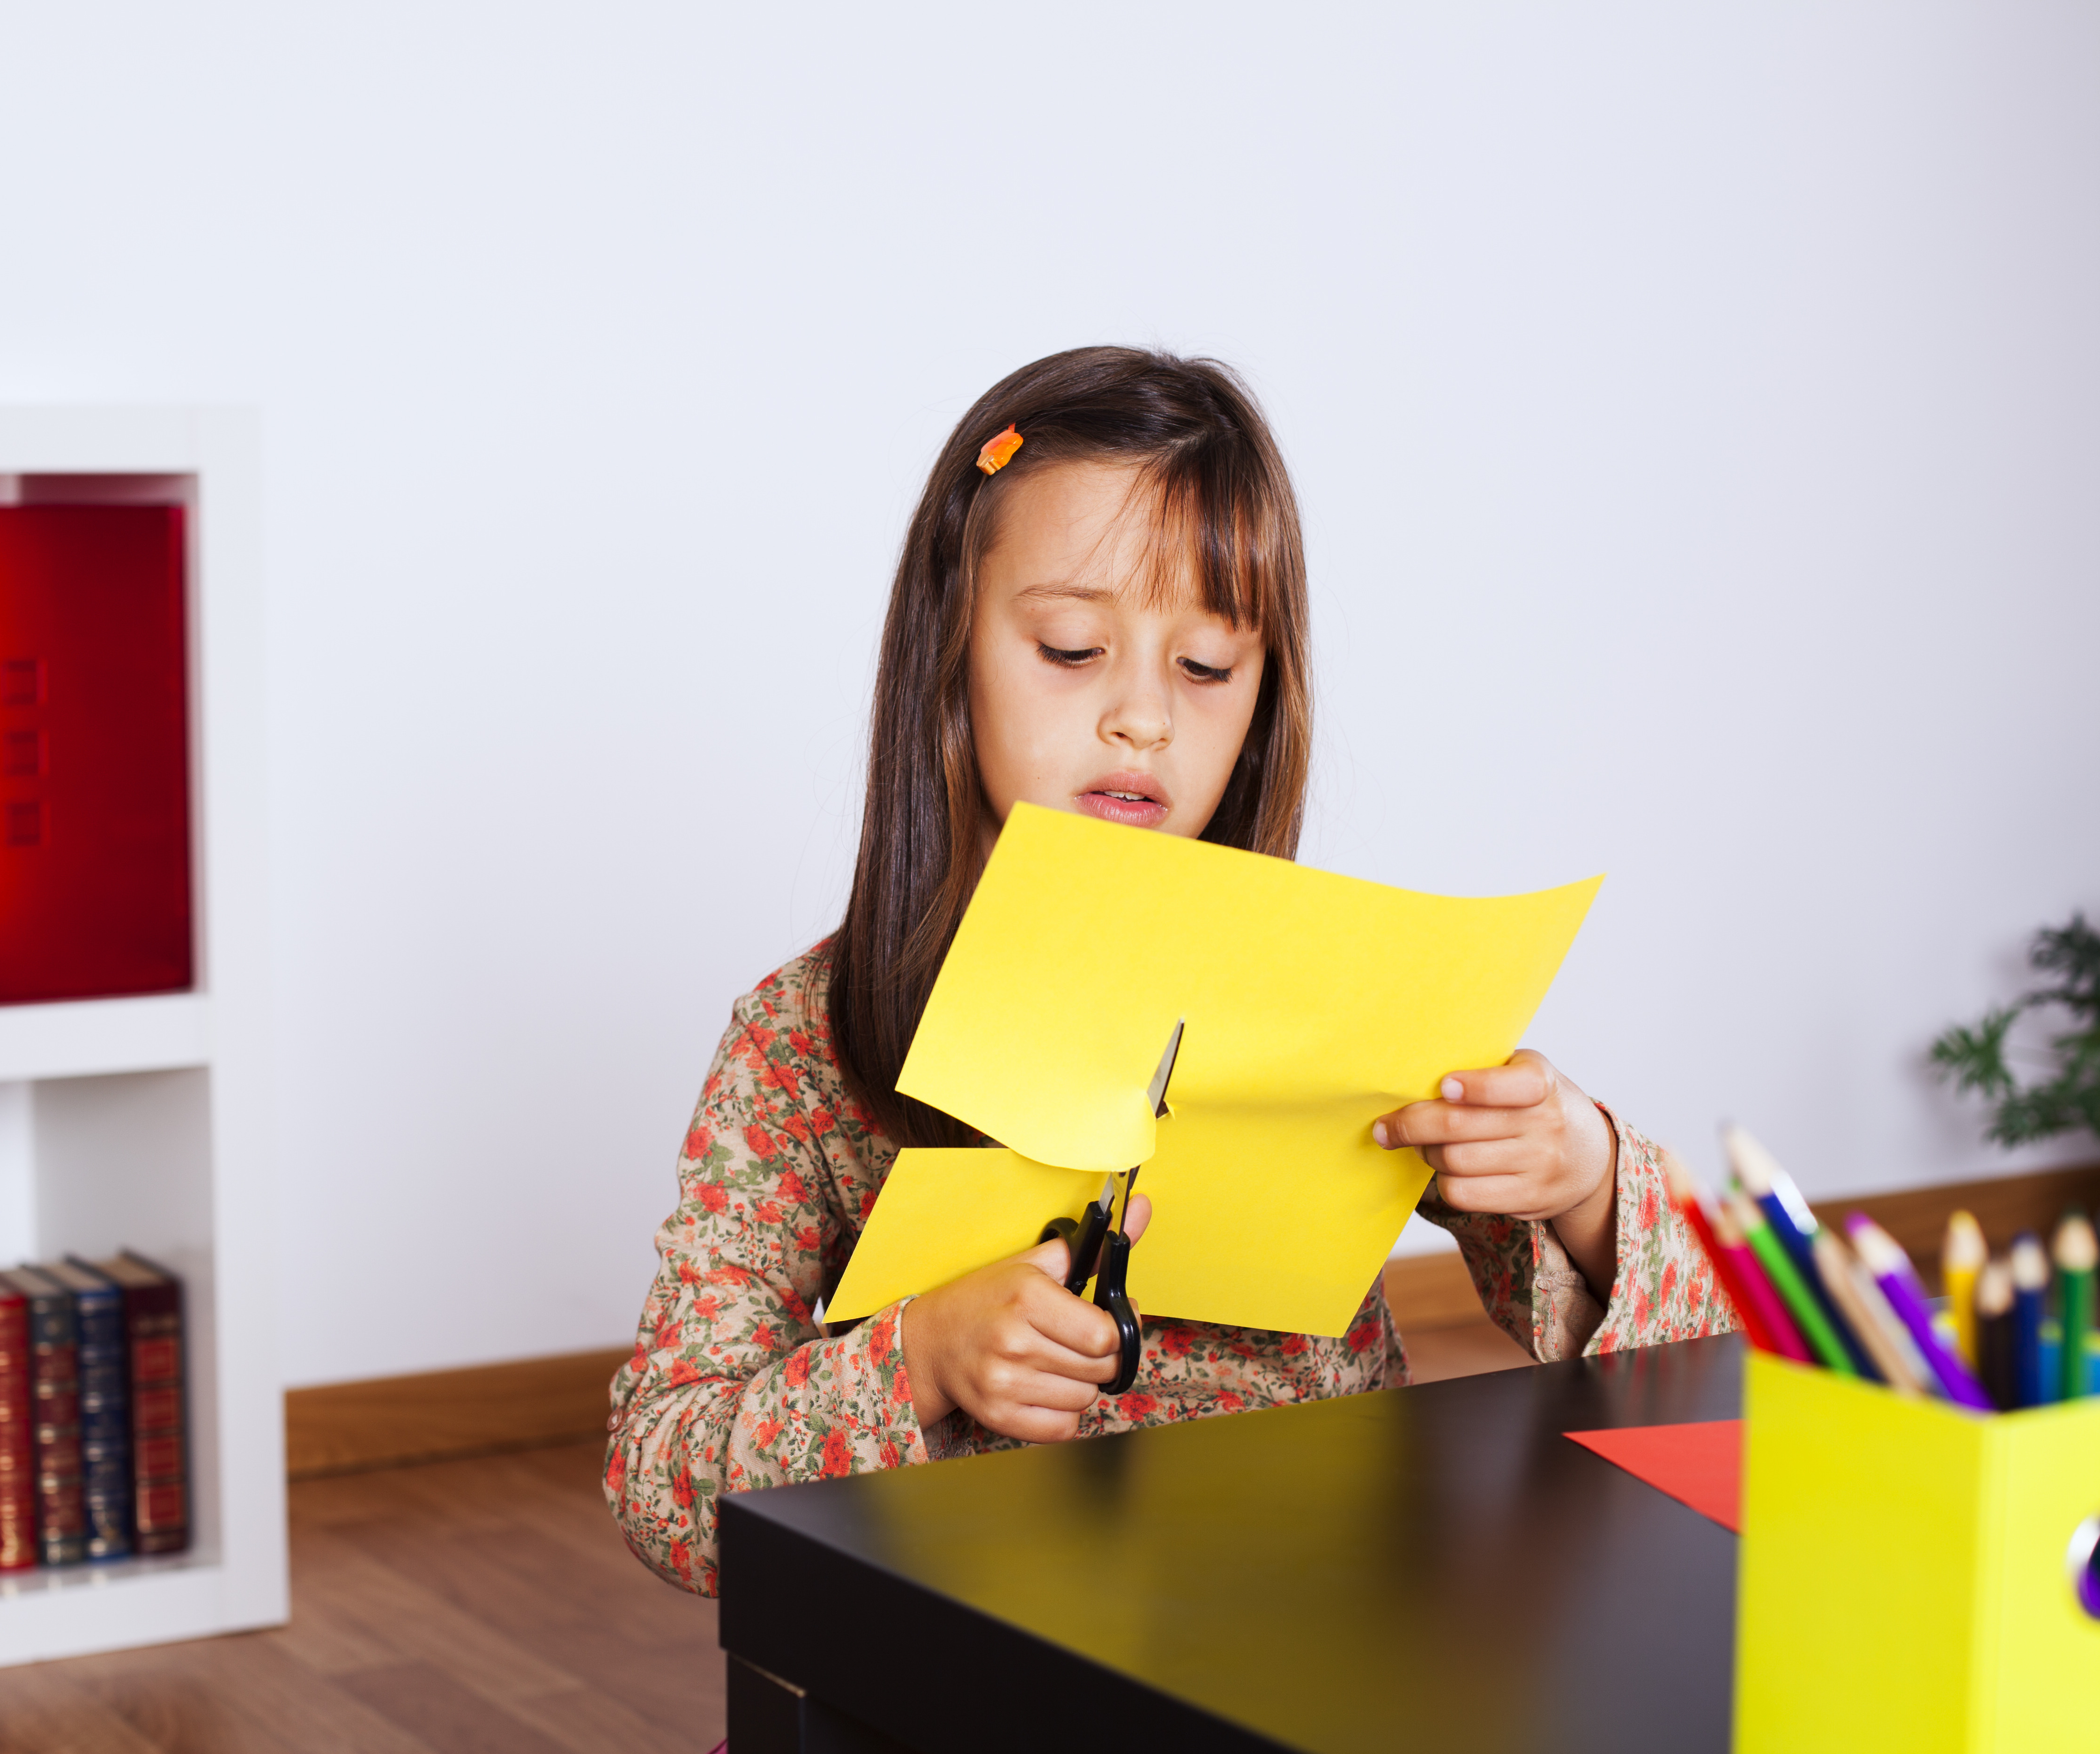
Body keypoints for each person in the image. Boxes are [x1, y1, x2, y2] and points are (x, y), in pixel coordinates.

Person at [604, 346, 1737, 1596]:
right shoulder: (800, 1046)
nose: (1144, 717)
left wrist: (1578, 1174)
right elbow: (663, 1485)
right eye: (1074, 648)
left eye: (1205, 669)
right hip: (971, 1660)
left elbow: (1722, 1355)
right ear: (951, 651)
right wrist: (917, 1357)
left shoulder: (1336, 988)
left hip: (1311, 1642)